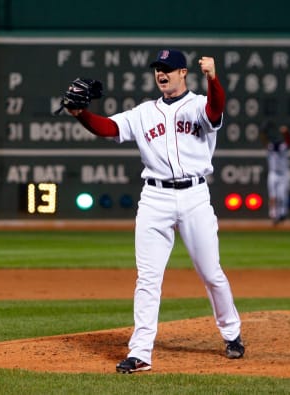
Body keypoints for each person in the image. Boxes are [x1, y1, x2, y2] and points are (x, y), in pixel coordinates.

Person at [63, 49, 244, 374]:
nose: (162, 74)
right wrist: (81, 114)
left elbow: (217, 108)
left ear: (183, 73)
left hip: (194, 197)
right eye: (158, 69)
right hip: (154, 200)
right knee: (147, 278)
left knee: (211, 273)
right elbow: (107, 128)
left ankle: (232, 334)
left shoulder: (200, 104)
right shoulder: (143, 113)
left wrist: (213, 78)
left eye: (168, 69)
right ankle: (140, 352)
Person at [260, 122, 290, 223]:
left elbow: (288, 141)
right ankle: (273, 214)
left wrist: (286, 133)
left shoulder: (283, 148)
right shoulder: (271, 148)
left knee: (282, 196)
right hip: (273, 174)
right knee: (273, 196)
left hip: (283, 174)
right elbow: (264, 141)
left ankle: (282, 214)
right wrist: (263, 132)